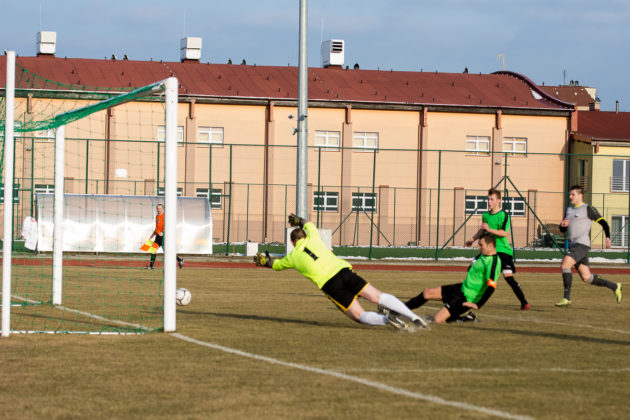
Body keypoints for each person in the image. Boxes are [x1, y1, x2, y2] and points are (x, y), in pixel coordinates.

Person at [254, 214, 429, 331]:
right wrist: (298, 220)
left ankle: (386, 319)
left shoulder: (292, 257)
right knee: (377, 296)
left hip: (330, 285)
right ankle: (413, 316)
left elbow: (275, 265)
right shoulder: (314, 237)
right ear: (305, 236)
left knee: (358, 316)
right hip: (343, 271)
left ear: (292, 243)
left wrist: (264, 262)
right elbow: (308, 223)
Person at [406, 233, 501, 323]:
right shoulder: (483, 254)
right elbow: (473, 265)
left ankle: (467, 319)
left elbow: (491, 287)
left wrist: (478, 304)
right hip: (462, 288)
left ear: (491, 246)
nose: (478, 247)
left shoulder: (493, 262)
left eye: (481, 245)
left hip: (468, 297)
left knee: (437, 320)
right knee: (427, 293)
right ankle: (400, 311)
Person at [555, 185, 622, 307]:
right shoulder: (568, 210)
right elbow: (563, 229)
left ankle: (566, 298)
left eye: (573, 194)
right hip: (574, 245)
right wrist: (562, 225)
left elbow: (604, 223)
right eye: (569, 194)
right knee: (587, 278)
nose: (570, 196)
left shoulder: (588, 208)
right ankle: (615, 286)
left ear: (580, 195)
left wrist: (607, 237)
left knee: (565, 265)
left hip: (582, 244)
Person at [465, 188, 530, 310]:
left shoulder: (503, 215)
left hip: (503, 251)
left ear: (499, 200)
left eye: (492, 199)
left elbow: (503, 233)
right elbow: (482, 230)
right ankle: (471, 296)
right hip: (489, 251)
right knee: (472, 267)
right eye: (488, 199)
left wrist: (489, 229)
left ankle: (524, 302)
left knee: (508, 278)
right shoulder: (485, 215)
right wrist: (472, 239)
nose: (489, 202)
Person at [145, 203, 184, 270]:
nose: (158, 209)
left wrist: (163, 232)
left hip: (164, 237)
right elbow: (157, 228)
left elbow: (169, 226)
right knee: (153, 250)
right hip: (158, 237)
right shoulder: (157, 217)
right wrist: (151, 236)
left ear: (162, 209)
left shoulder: (165, 216)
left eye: (160, 208)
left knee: (167, 253)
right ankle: (151, 266)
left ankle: (179, 259)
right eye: (158, 208)